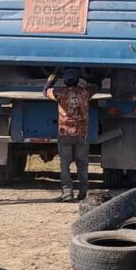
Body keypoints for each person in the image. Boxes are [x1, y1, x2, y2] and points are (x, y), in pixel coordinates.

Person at [44, 68, 98, 201]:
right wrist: (92, 77)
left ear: (65, 81)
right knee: (82, 164)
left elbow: (45, 92)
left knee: (65, 164)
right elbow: (97, 86)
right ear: (77, 79)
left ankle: (67, 192)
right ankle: (83, 192)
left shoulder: (60, 93)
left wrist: (50, 81)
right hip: (81, 134)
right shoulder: (85, 92)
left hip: (65, 134)